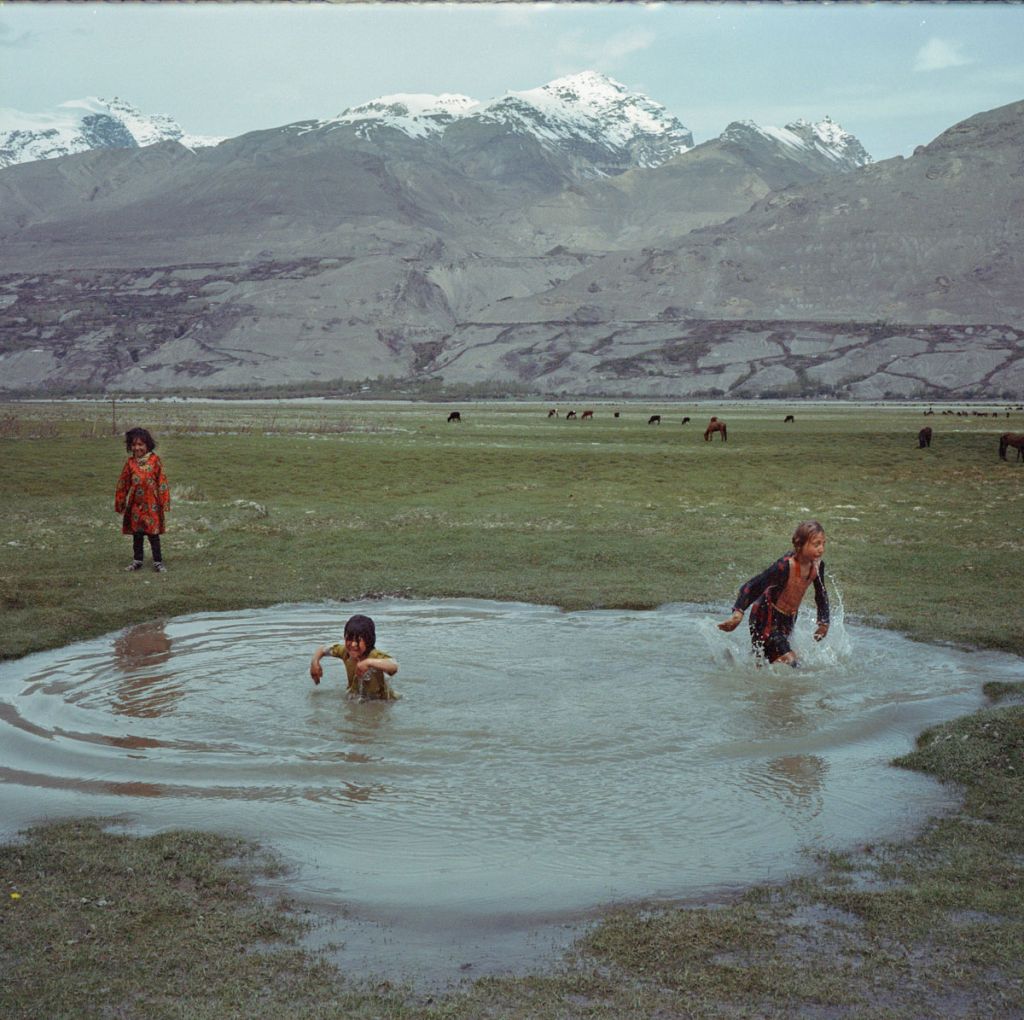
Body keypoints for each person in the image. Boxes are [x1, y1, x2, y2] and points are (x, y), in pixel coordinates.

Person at [718, 521, 830, 666]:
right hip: (765, 616)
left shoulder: (817, 565)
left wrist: (824, 623)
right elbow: (753, 586)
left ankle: (738, 665)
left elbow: (821, 594)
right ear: (800, 544)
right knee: (790, 661)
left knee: (766, 660)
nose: (821, 549)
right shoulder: (784, 566)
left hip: (788, 620)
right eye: (816, 544)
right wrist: (738, 613)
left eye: (823, 544)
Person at [114, 427, 170, 573]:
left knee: (153, 534)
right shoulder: (130, 463)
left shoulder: (155, 460)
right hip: (136, 505)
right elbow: (123, 483)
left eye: (140, 444)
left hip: (152, 504)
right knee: (137, 534)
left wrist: (164, 501)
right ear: (130, 446)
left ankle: (158, 562)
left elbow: (162, 481)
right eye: (134, 445)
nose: (137, 448)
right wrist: (120, 501)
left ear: (147, 445)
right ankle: (137, 561)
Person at [309, 614, 399, 700]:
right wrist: (315, 662)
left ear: (369, 641)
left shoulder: (374, 655)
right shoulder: (345, 652)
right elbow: (323, 649)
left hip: (380, 700)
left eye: (358, 640)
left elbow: (393, 666)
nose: (353, 644)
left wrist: (368, 662)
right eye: (349, 639)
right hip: (356, 696)